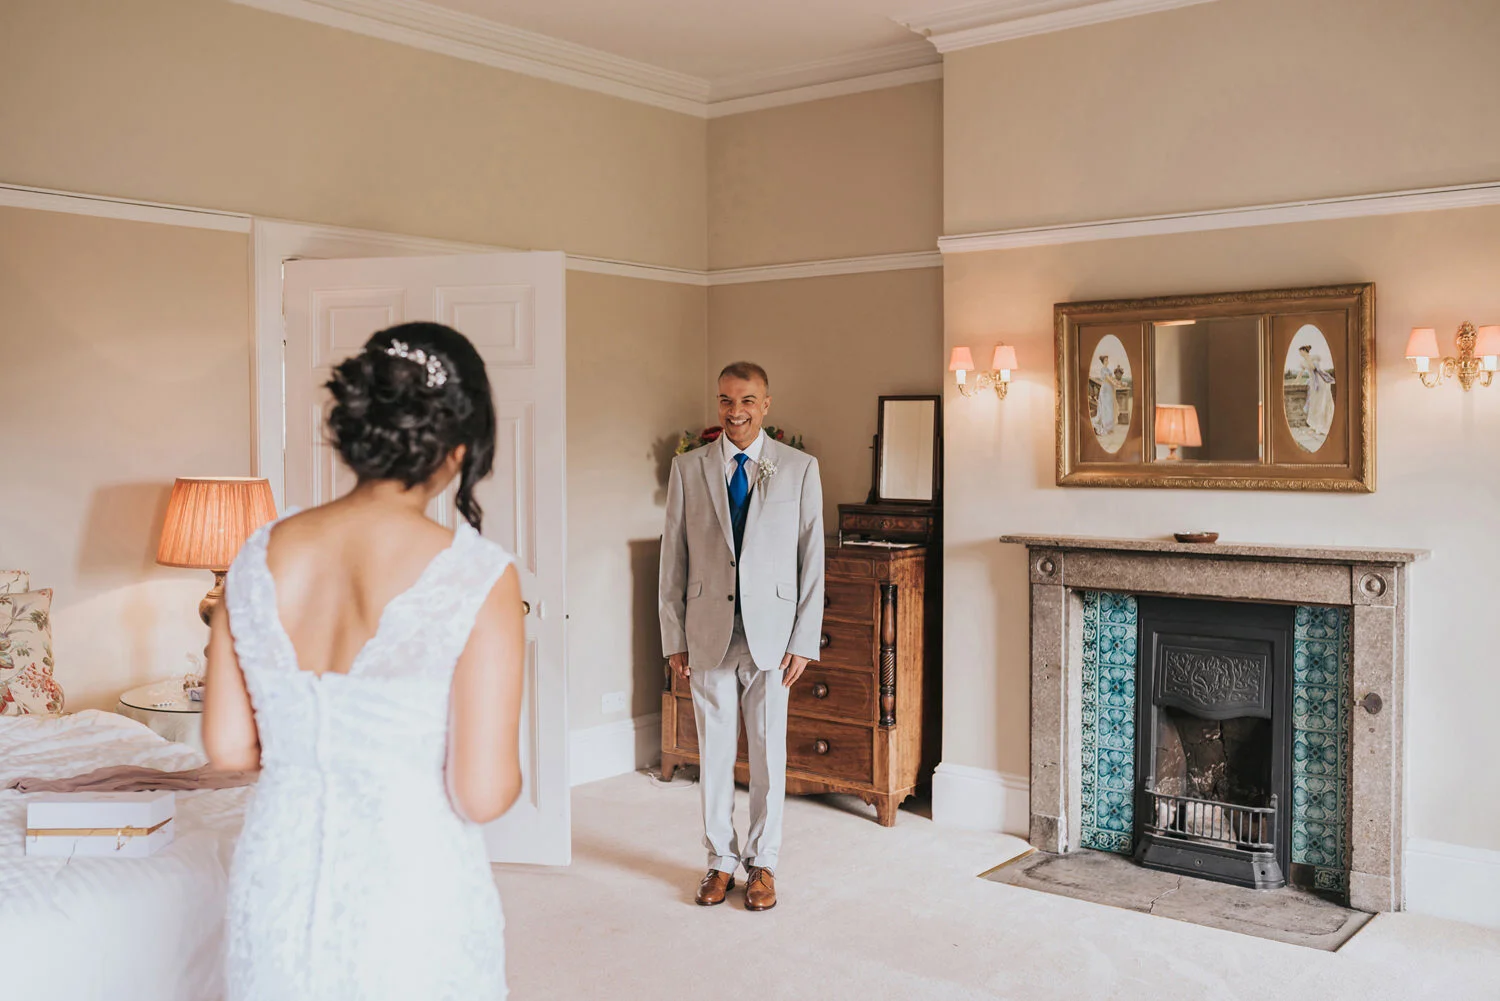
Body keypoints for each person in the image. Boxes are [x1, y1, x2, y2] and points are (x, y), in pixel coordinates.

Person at [203, 322, 526, 1000]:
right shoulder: (476, 574)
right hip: (412, 882)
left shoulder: (256, 555)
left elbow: (228, 748)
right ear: (459, 447)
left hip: (279, 875)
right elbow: (481, 793)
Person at [658, 361, 824, 911]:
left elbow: (811, 559)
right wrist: (673, 636)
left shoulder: (799, 468)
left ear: (766, 404)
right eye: (727, 400)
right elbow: (673, 559)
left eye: (747, 400)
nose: (736, 411)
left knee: (769, 753)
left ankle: (763, 863)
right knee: (713, 754)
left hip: (772, 637)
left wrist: (803, 639)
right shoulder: (688, 469)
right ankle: (719, 861)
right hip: (707, 631)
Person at [1299, 344, 1336, 438]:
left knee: (1321, 403)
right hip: (1313, 384)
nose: (1300, 354)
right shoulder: (1303, 362)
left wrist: (1308, 358)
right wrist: (1295, 380)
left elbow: (1313, 368)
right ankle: (1315, 425)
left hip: (1321, 383)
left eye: (1301, 352)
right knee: (1314, 404)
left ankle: (1322, 425)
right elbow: (1300, 373)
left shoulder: (1314, 358)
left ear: (1304, 351)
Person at [1093, 353, 1118, 435]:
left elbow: (1111, 378)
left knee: (1109, 407)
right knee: (1106, 408)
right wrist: (1114, 383)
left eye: (1107, 360)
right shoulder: (1103, 370)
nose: (1107, 361)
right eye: (1106, 360)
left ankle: (1109, 427)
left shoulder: (1108, 369)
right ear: (1103, 361)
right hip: (1105, 390)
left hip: (1109, 389)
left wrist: (1117, 382)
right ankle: (1105, 427)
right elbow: (1108, 378)